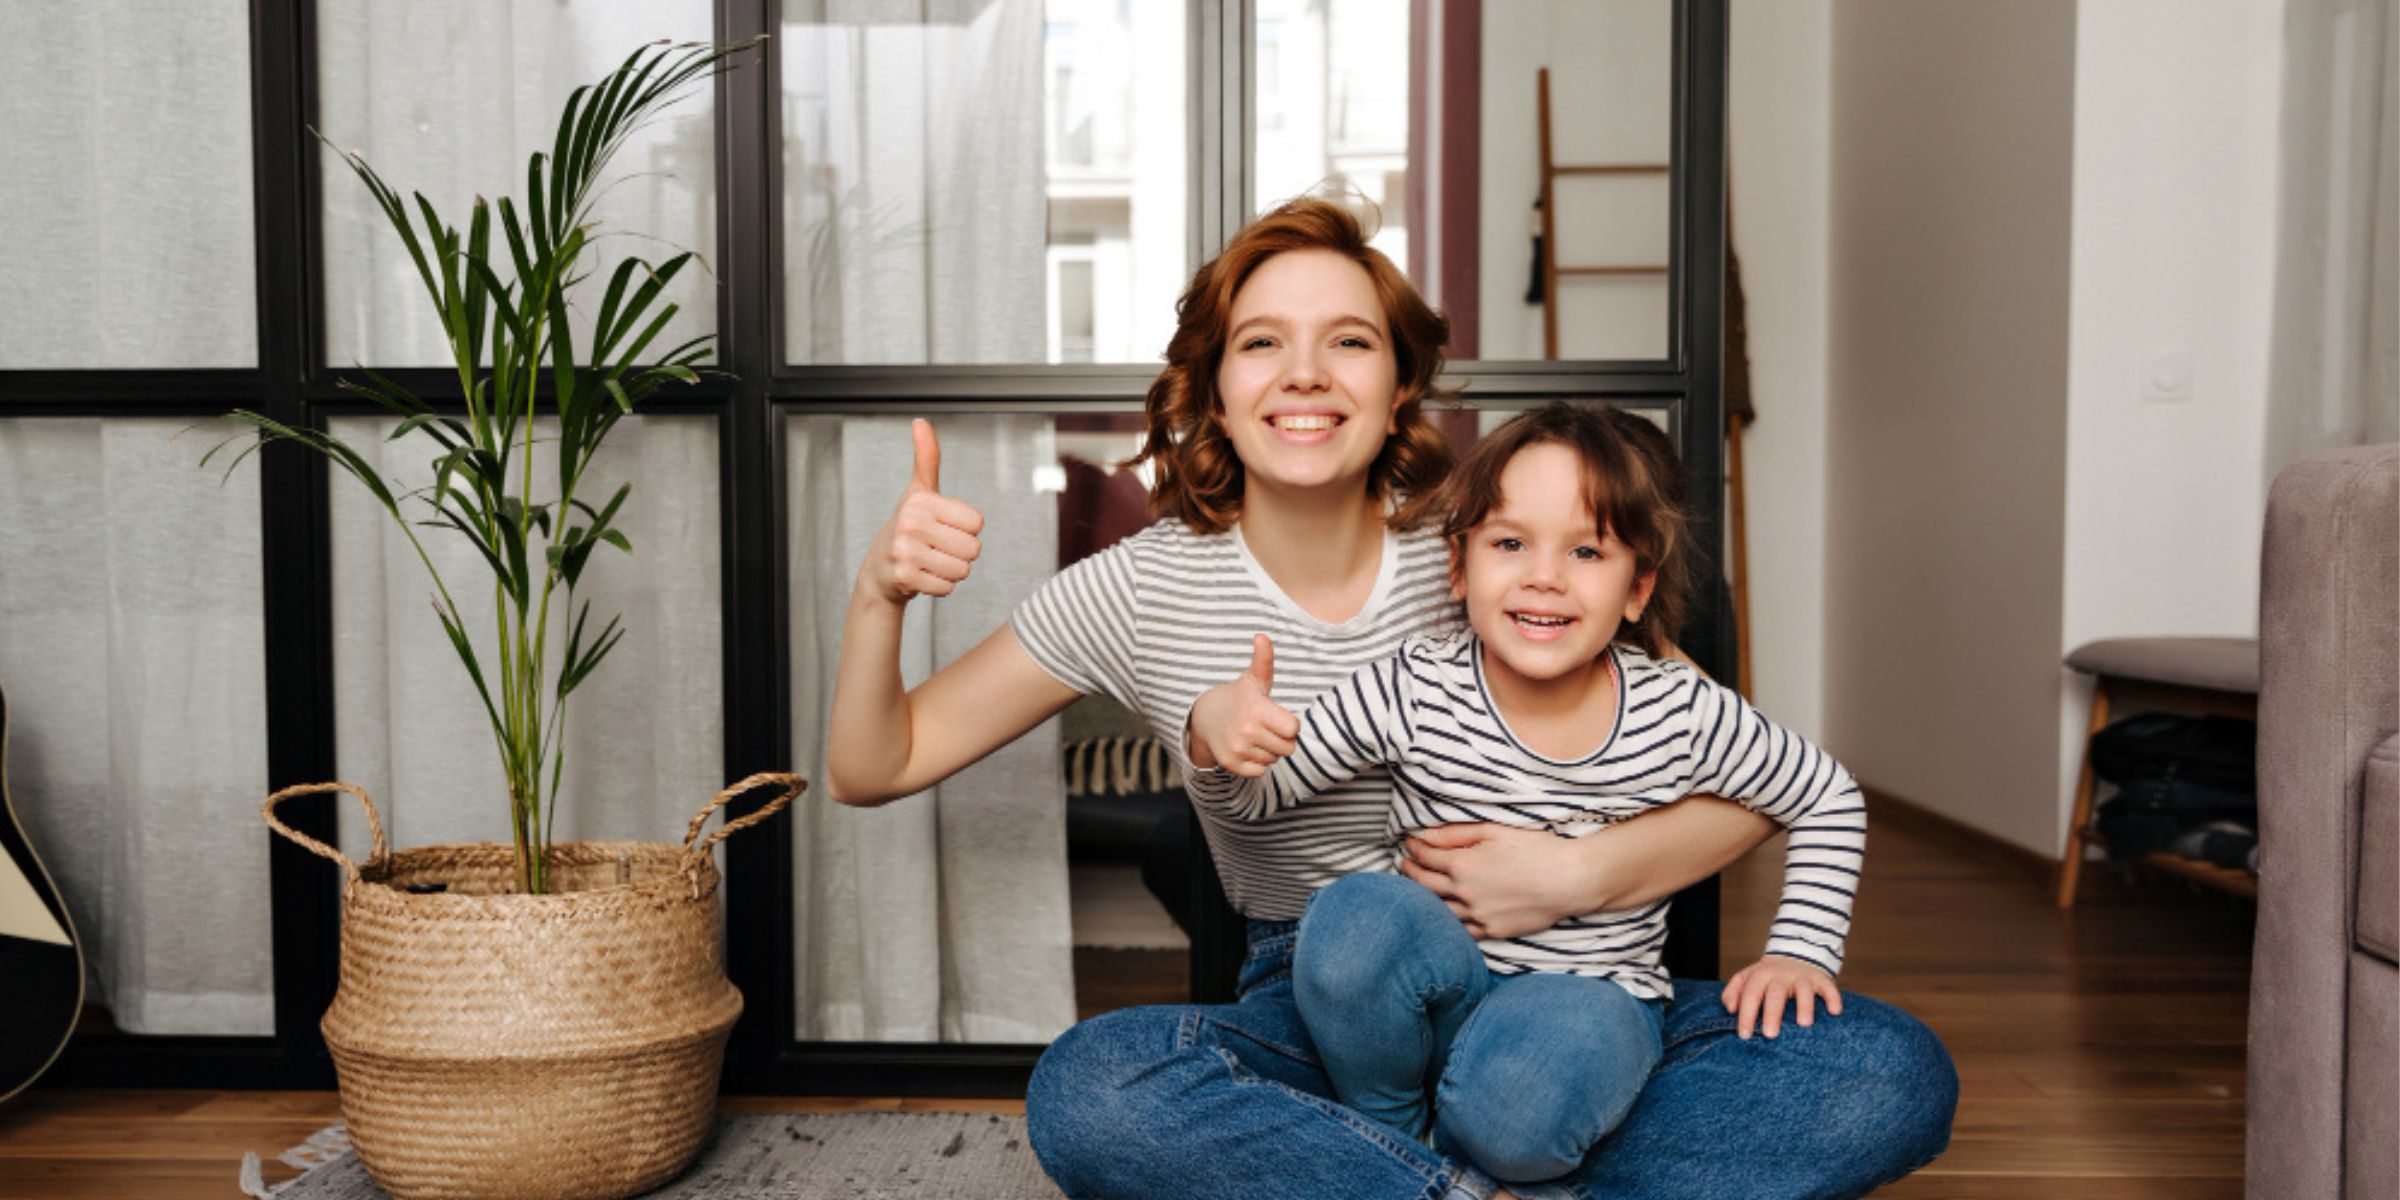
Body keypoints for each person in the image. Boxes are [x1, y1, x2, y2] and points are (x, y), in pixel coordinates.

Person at [826, 196, 1955, 1200]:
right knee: (1091, 1092)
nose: (1305, 374)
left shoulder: (1498, 546)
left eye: (1350, 341)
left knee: (1887, 1073)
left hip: (1578, 985)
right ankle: (1473, 1179)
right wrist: (880, 596)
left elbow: (1743, 772)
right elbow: (874, 766)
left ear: (1400, 382)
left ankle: (1385, 1170)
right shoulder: (1135, 590)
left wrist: (1576, 875)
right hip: (1318, 1007)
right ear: (1214, 385)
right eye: (1262, 342)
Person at [1184, 402, 1864, 1185]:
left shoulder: (1681, 709)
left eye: (1587, 550)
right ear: (1458, 567)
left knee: (1520, 1108)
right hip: (1431, 996)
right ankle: (1393, 1137)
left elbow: (1827, 794)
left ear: (1637, 588)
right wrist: (1215, 734)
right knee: (1353, 917)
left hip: (1585, 1005)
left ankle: (1450, 1161)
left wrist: (1798, 952)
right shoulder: (1414, 685)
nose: (1544, 576)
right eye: (1509, 543)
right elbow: (1256, 802)